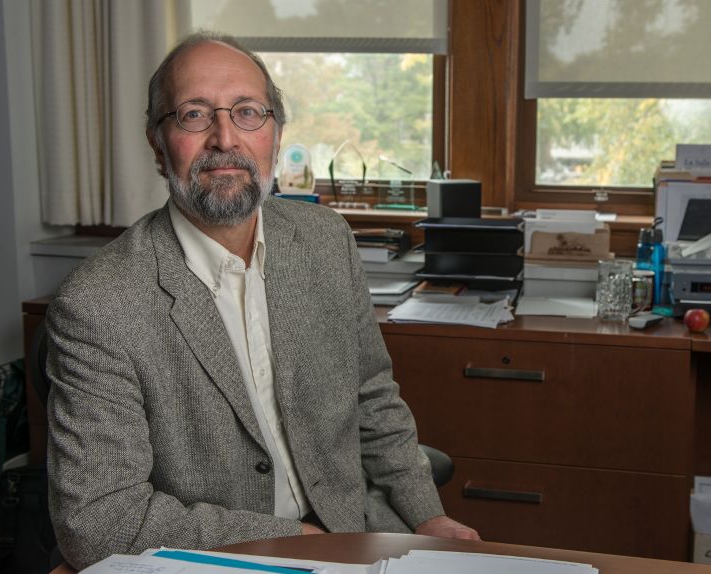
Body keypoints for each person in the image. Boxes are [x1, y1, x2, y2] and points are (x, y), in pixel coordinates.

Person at [45, 31, 479, 570]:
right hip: (214, 561)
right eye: (194, 115)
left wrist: (425, 516)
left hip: (358, 536)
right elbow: (101, 519)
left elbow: (372, 397)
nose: (225, 138)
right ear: (158, 144)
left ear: (276, 133)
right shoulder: (97, 305)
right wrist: (293, 537)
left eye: (248, 112)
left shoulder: (326, 239)